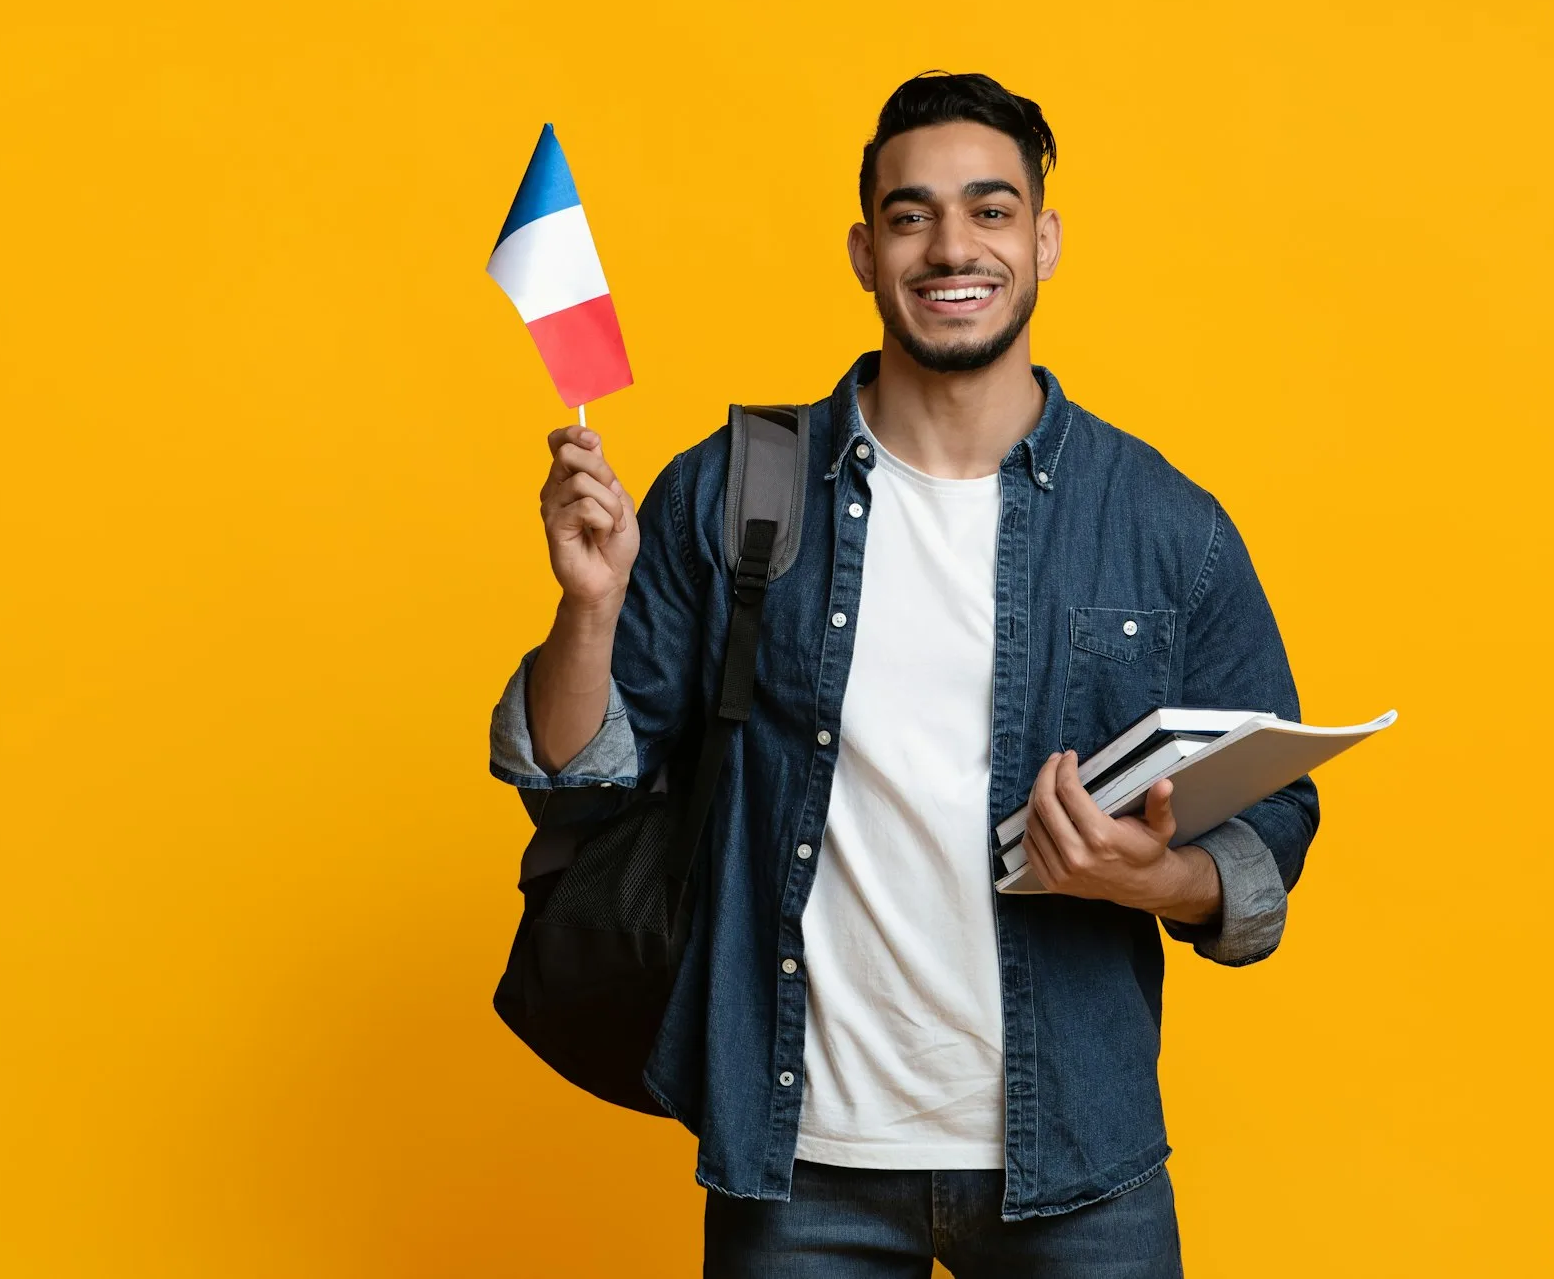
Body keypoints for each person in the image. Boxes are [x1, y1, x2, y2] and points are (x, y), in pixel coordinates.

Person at [489, 71, 1320, 1278]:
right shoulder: (735, 486)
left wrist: (1161, 878)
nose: (949, 246)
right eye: (909, 214)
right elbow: (578, 775)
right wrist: (589, 603)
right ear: (863, 251)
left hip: (1079, 1158)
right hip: (802, 1163)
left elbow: (1273, 819)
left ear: (1041, 239)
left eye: (989, 210)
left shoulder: (1160, 524)